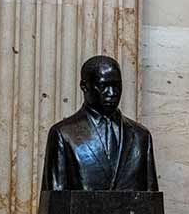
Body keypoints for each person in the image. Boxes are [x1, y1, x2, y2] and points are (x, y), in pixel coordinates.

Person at [41, 55, 158, 192]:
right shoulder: (64, 134)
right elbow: (55, 201)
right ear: (84, 86)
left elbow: (151, 199)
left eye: (117, 86)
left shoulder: (141, 136)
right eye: (104, 86)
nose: (112, 93)